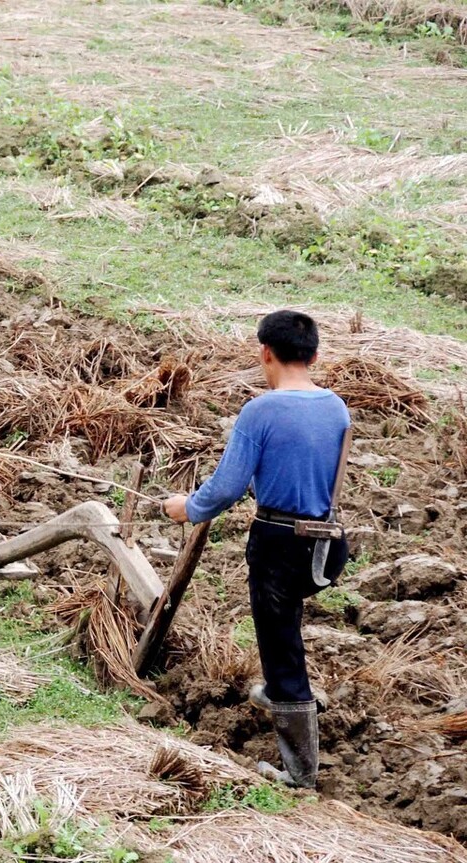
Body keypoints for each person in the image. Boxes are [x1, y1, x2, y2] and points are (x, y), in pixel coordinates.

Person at [163, 309, 350, 790]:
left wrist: (188, 507)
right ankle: (280, 692)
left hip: (280, 542)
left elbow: (226, 488)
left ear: (265, 352)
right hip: (327, 543)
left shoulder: (261, 411)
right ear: (314, 354)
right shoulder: (336, 408)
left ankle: (299, 771)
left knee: (280, 643)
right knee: (285, 629)